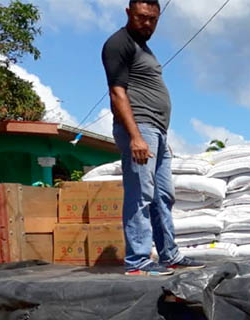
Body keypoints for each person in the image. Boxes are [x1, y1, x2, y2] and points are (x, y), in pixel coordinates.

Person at [101, 0, 203, 276]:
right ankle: (138, 261)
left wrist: (159, 134)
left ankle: (169, 254)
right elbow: (117, 94)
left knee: (163, 196)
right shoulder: (118, 44)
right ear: (128, 13)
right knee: (141, 194)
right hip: (140, 128)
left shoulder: (144, 48)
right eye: (142, 17)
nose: (147, 24)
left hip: (156, 131)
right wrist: (136, 136)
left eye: (153, 19)